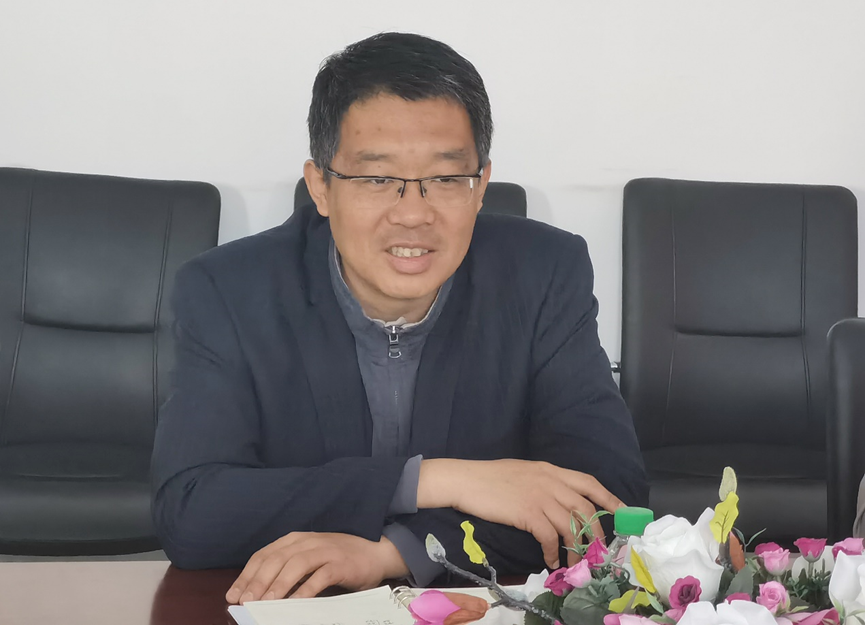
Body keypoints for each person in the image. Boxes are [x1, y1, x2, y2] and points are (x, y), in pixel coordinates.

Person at [151, 32, 648, 604]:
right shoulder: (229, 291)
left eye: (446, 178)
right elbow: (192, 511)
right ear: (320, 186)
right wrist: (436, 480)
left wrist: (395, 552)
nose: (413, 214)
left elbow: (610, 507)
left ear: (481, 186)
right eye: (376, 179)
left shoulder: (543, 274)